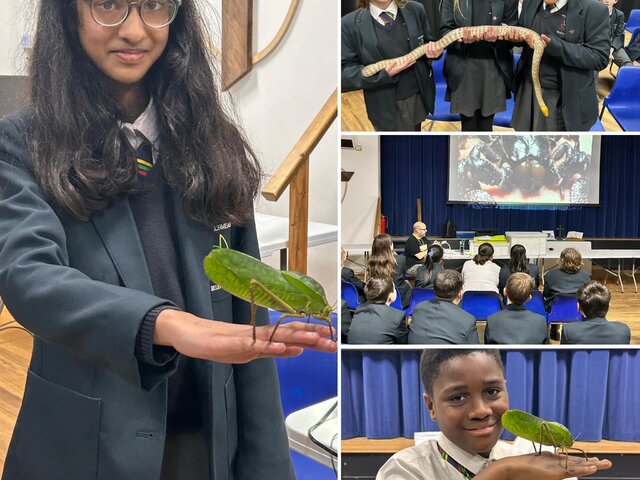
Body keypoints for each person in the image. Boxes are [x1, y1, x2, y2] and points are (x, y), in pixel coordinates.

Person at [0, 1, 336, 478]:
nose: (135, 30)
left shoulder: (210, 141)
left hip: (208, 443)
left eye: (155, 5)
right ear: (67, 13)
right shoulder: (23, 143)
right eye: (109, 4)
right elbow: (28, 277)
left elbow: (251, 323)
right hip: (87, 447)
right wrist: (166, 324)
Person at [376, 349, 612, 479]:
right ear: (431, 407)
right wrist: (502, 472)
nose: (480, 411)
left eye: (492, 391)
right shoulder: (405, 470)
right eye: (457, 397)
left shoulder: (532, 456)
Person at [341, 0, 441, 131]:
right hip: (382, 105)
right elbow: (344, 72)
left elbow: (428, 42)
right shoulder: (349, 24)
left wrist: (433, 52)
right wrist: (383, 74)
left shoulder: (416, 10)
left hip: (416, 98)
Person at [512, 0, 609, 131]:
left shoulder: (594, 10)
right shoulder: (531, 2)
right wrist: (513, 35)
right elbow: (523, 35)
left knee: (553, 146)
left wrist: (555, 46)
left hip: (564, 100)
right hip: (527, 90)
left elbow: (599, 57)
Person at [436, 0, 518, 131]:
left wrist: (497, 39)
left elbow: (513, 37)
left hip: (493, 70)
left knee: (486, 126)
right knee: (468, 127)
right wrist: (460, 40)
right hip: (463, 70)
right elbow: (444, 33)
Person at [409, 270, 479, 344]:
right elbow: (476, 353)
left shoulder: (419, 308)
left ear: (435, 290)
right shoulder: (467, 320)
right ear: (460, 294)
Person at [485, 273, 549, 344]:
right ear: (529, 298)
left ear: (505, 291)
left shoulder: (492, 320)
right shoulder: (541, 321)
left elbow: (488, 351)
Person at [561, 281, 631, 344]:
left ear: (579, 307)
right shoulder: (623, 331)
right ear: (609, 305)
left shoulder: (570, 331)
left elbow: (563, 356)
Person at [347, 276, 409, 344]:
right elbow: (404, 345)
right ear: (390, 295)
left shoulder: (359, 310)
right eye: (394, 288)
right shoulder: (397, 316)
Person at [369, 233, 412, 308]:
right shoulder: (400, 259)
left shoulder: (371, 261)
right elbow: (403, 276)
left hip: (379, 296)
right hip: (399, 297)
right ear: (390, 246)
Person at [601, 0, 633, 69]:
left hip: (613, 46)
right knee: (593, 66)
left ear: (615, 1)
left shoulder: (619, 15)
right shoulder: (592, 12)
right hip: (596, 46)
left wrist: (611, 50)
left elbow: (619, 35)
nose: (607, 1)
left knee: (628, 65)